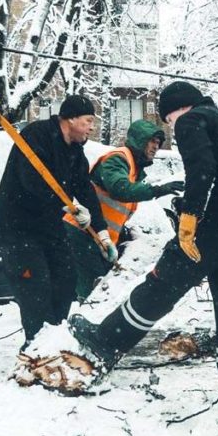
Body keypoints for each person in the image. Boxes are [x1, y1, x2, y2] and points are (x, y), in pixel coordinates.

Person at [69, 82, 218, 413]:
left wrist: (190, 216)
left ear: (174, 111)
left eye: (168, 121)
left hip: (210, 230)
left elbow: (203, 170)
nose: (171, 128)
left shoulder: (192, 119)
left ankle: (106, 342)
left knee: (162, 284)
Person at [0, 95, 114, 347]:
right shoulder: (37, 135)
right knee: (36, 284)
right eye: (88, 121)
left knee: (66, 277)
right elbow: (31, 181)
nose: (92, 127)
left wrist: (102, 233)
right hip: (17, 225)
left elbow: (85, 189)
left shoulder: (75, 151)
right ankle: (36, 347)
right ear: (69, 119)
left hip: (47, 225)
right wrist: (71, 206)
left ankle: (55, 339)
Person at [63, 119, 184, 300]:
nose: (155, 147)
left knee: (94, 291)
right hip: (82, 233)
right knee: (91, 293)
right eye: (152, 141)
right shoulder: (117, 159)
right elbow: (120, 189)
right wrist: (157, 190)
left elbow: (117, 209)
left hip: (97, 239)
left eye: (158, 143)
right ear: (140, 140)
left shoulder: (133, 170)